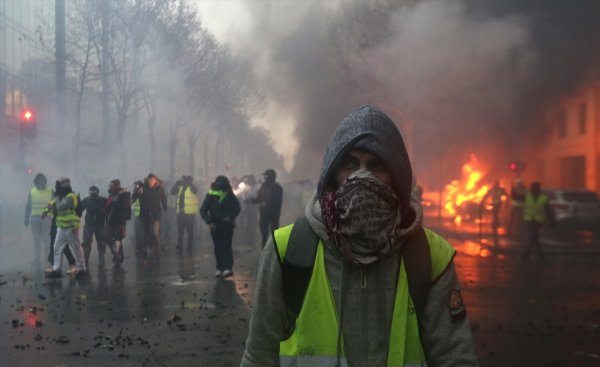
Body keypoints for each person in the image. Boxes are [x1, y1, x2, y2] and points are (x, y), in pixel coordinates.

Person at [241, 105, 478, 366]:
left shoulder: (431, 256)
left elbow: (454, 356)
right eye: (350, 163)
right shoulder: (286, 250)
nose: (362, 176)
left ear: (397, 176)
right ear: (332, 173)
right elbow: (259, 355)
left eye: (377, 165)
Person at [43, 177, 87, 279]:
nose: (56, 187)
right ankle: (56, 270)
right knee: (57, 248)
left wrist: (56, 198)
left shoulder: (71, 196)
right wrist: (45, 211)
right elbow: (51, 205)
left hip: (71, 227)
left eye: (58, 185)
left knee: (76, 248)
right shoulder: (60, 196)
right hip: (61, 227)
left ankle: (82, 269)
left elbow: (60, 207)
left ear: (64, 186)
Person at [200, 175, 241, 278]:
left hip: (227, 224)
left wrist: (230, 217)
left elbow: (237, 208)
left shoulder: (229, 194)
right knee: (218, 247)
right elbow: (203, 210)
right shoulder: (210, 195)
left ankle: (227, 268)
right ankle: (219, 268)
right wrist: (209, 222)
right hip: (215, 225)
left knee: (227, 245)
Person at [132, 173, 167, 259]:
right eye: (149, 180)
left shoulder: (159, 189)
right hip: (145, 215)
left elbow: (163, 198)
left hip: (155, 215)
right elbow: (134, 198)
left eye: (152, 180)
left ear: (155, 180)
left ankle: (156, 252)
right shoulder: (143, 188)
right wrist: (136, 192)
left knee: (155, 233)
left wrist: (165, 206)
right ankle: (145, 250)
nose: (150, 182)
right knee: (146, 233)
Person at [246, 169, 283, 247]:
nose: (265, 178)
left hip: (273, 215)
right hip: (264, 215)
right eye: (264, 176)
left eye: (266, 176)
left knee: (274, 236)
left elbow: (277, 202)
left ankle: (275, 253)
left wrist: (266, 204)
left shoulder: (278, 188)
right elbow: (259, 199)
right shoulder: (263, 186)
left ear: (271, 177)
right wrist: (250, 201)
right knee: (264, 236)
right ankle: (264, 252)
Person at [24, 173, 53, 264]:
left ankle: (48, 257)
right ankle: (37, 258)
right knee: (36, 239)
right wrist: (26, 218)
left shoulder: (50, 190)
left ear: (45, 182)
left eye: (41, 181)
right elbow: (28, 205)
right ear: (35, 182)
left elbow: (54, 204)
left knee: (46, 239)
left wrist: (47, 212)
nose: (40, 183)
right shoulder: (32, 191)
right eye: (38, 181)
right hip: (35, 218)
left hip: (46, 218)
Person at [521, 181, 554, 260]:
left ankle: (526, 254)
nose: (532, 189)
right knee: (534, 237)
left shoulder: (543, 198)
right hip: (529, 219)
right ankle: (541, 255)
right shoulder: (527, 195)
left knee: (532, 236)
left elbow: (548, 210)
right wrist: (513, 189)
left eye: (533, 187)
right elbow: (517, 197)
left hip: (538, 220)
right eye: (532, 187)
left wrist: (552, 221)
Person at [105, 179, 131, 265]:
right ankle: (116, 252)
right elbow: (108, 206)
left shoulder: (125, 195)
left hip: (120, 220)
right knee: (107, 237)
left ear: (117, 186)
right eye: (110, 186)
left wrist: (113, 204)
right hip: (111, 220)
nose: (111, 188)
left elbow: (124, 206)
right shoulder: (111, 195)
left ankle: (119, 257)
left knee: (118, 238)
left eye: (112, 186)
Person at [80, 185, 107, 268]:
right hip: (89, 225)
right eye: (91, 194)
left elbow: (109, 210)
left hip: (100, 225)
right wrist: (77, 202)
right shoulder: (86, 200)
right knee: (86, 244)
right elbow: (79, 209)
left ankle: (101, 262)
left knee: (102, 244)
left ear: (97, 193)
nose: (92, 196)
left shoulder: (103, 200)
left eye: (94, 194)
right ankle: (86, 261)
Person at [170, 175, 199, 250]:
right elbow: (172, 192)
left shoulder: (192, 187)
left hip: (189, 214)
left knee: (190, 231)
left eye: (186, 180)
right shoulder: (180, 188)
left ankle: (190, 246)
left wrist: (189, 183)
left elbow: (195, 190)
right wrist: (176, 184)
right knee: (180, 231)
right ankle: (180, 245)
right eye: (183, 180)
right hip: (180, 213)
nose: (184, 181)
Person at [482, 180, 508, 246]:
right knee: (495, 214)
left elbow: (506, 195)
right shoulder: (494, 189)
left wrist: (507, 202)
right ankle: (495, 223)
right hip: (494, 203)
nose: (497, 185)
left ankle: (495, 224)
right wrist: (483, 200)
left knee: (496, 214)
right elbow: (487, 194)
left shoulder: (500, 189)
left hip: (498, 204)